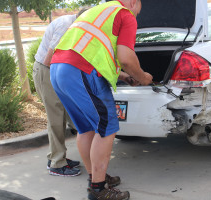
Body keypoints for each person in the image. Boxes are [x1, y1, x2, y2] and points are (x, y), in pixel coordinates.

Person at [50, 0, 152, 199]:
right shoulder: (125, 14)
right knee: (107, 127)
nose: (138, 14)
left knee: (86, 128)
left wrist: (122, 76)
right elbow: (126, 58)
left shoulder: (99, 10)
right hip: (81, 70)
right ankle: (98, 190)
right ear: (134, 2)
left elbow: (95, 50)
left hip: (59, 69)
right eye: (139, 8)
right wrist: (143, 77)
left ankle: (96, 177)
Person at [33, 9, 87, 177]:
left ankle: (55, 157)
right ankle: (57, 164)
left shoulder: (74, 24)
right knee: (56, 118)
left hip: (55, 71)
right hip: (47, 71)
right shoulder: (66, 26)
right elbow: (49, 60)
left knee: (64, 114)